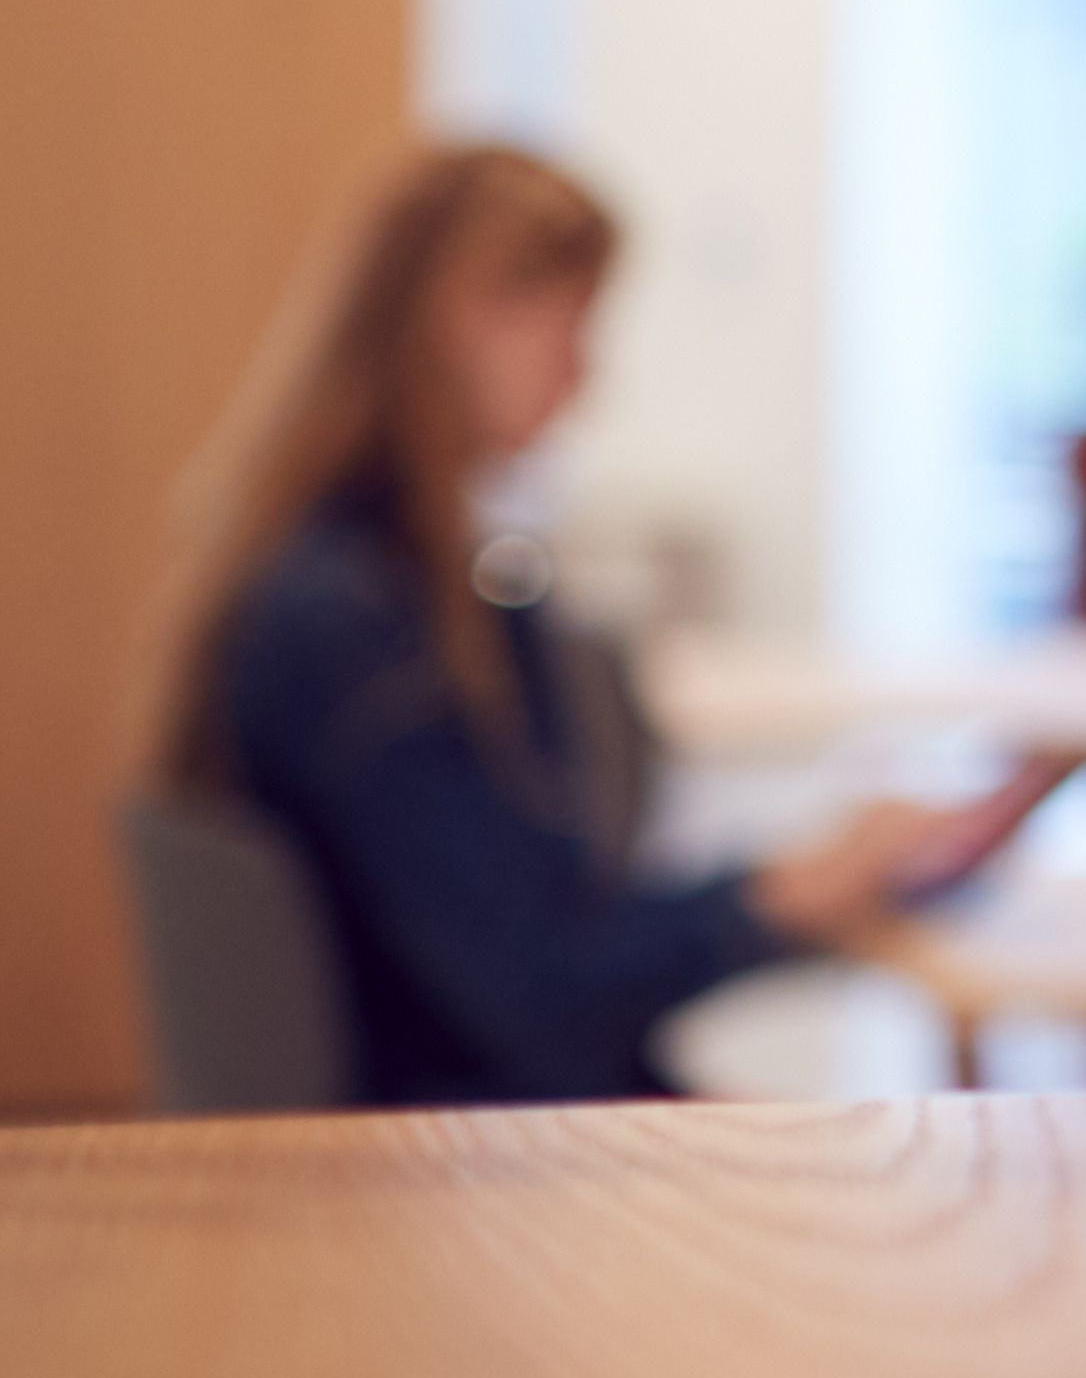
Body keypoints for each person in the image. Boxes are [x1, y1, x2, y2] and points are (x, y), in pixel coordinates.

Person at [141, 145, 1015, 1105]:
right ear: (464, 313)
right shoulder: (347, 630)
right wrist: (786, 896)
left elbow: (533, 932)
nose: (584, 380)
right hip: (457, 1162)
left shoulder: (363, 583)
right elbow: (543, 989)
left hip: (466, 1129)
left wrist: (790, 890)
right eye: (569, 330)